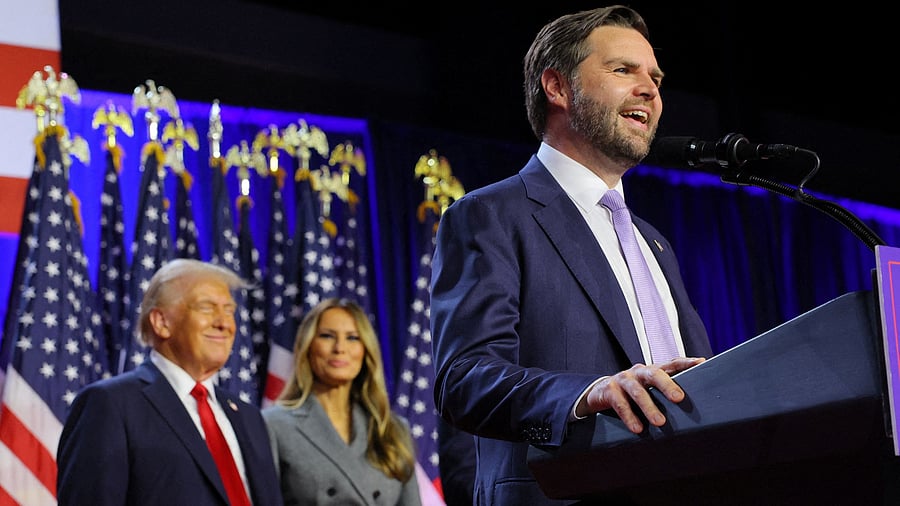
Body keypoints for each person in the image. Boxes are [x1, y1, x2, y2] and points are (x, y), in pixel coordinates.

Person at [429, 5, 714, 505]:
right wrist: (588, 394)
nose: (649, 89)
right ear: (557, 87)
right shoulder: (492, 215)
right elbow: (464, 378)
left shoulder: (655, 244)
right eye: (623, 70)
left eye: (656, 77)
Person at [57, 258, 283, 506]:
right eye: (206, 308)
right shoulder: (110, 405)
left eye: (229, 310)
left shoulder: (249, 417)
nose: (224, 323)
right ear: (162, 322)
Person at [263, 297, 421, 505]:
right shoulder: (273, 425)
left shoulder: (393, 428)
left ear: (366, 350)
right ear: (308, 346)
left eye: (353, 338)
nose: (340, 348)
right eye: (327, 336)